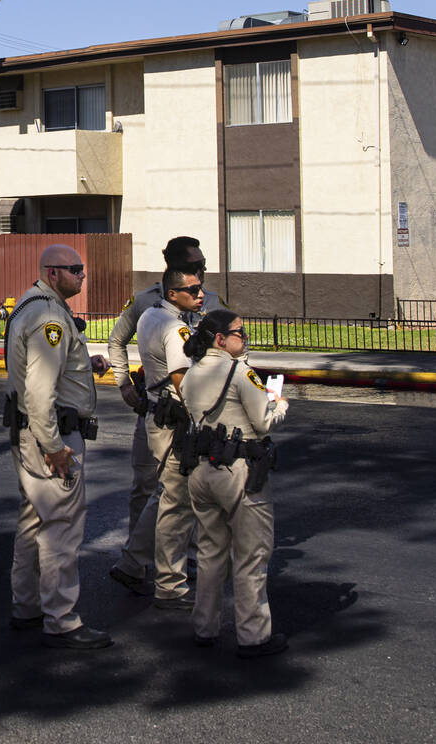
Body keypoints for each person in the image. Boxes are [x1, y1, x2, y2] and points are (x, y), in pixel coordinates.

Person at [4, 244, 112, 649]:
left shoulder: (34, 307)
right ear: (52, 273)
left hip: (29, 435)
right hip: (51, 438)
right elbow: (39, 389)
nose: (83, 276)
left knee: (33, 521)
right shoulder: (49, 316)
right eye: (75, 269)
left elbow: (46, 371)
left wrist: (88, 364)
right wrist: (54, 448)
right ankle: (62, 619)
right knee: (61, 529)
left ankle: (27, 605)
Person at [179, 310, 290, 658]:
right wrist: (280, 403)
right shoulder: (240, 372)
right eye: (239, 333)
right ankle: (253, 634)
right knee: (251, 555)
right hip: (238, 472)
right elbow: (263, 422)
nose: (245, 338)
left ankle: (205, 627)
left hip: (200, 471)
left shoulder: (191, 374)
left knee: (210, 552)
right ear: (220, 339)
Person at [108, 237, 226, 534]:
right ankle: (138, 556)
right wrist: (123, 383)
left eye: (202, 264)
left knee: (193, 487)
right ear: (173, 269)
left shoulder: (211, 303)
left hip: (197, 411)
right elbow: (116, 340)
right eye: (194, 266)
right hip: (156, 408)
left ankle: (186, 555)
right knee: (145, 485)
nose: (201, 270)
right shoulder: (146, 301)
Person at [109, 267, 204, 609]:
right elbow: (183, 380)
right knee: (173, 501)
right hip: (174, 417)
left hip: (157, 412)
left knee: (163, 495)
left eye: (200, 286)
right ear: (173, 292)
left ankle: (134, 562)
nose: (201, 294)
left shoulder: (150, 313)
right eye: (193, 289)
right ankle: (167, 581)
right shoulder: (174, 326)